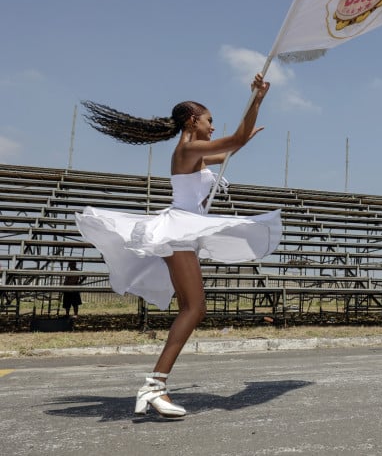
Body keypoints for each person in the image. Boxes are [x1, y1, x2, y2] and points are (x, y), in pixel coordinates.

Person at [75, 73, 282, 418]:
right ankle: (154, 386)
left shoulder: (195, 153)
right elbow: (237, 138)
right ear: (192, 121)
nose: (212, 127)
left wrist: (245, 132)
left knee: (193, 308)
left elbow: (235, 144)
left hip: (184, 232)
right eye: (209, 121)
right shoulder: (188, 149)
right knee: (194, 309)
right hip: (180, 232)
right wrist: (257, 100)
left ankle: (156, 385)